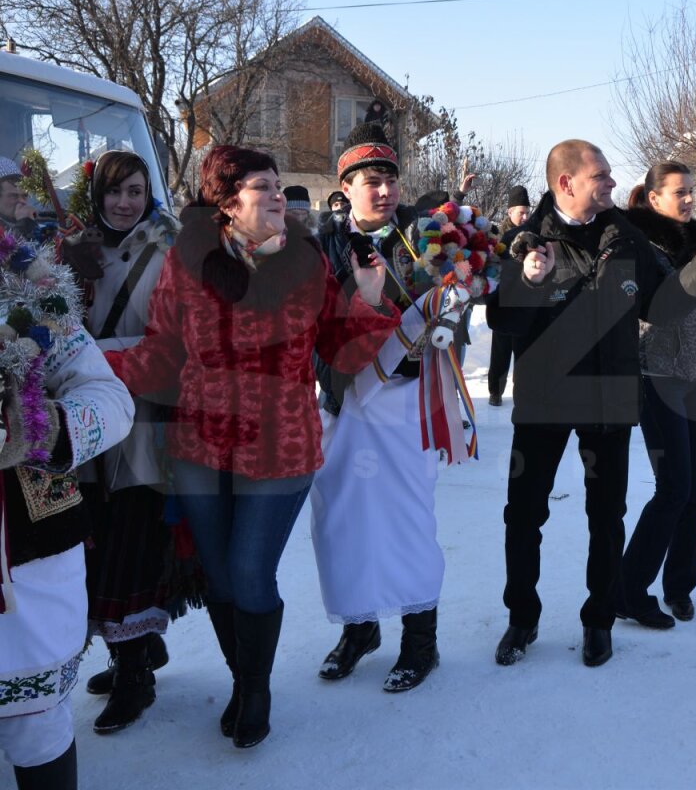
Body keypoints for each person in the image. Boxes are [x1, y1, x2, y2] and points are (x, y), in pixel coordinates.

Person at [104, 145, 401, 748]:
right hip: (199, 442)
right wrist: (90, 368)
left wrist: (368, 298)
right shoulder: (189, 260)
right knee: (217, 576)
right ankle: (243, 680)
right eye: (262, 186)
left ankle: (257, 690)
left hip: (281, 442)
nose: (276, 195)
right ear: (228, 200)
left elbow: (341, 349)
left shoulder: (305, 259)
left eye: (277, 185)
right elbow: (162, 353)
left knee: (248, 570)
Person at [488, 140, 696, 667]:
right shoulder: (524, 241)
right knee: (524, 516)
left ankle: (598, 620)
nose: (613, 184)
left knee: (606, 517)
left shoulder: (626, 237)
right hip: (544, 404)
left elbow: (664, 306)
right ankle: (521, 619)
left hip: (609, 402)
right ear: (566, 183)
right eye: (601, 176)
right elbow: (502, 325)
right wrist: (527, 282)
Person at [310, 124, 468, 693]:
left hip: (406, 402)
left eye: (391, 181)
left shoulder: (424, 240)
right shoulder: (322, 246)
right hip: (345, 396)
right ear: (345, 186)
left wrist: (456, 304)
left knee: (406, 523)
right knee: (340, 521)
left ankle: (419, 641)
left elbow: (453, 309)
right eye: (372, 182)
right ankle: (359, 629)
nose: (384, 192)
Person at [56, 152, 193, 735]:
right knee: (97, 539)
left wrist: (92, 362)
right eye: (114, 191)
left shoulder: (169, 250)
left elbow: (174, 342)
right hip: (87, 426)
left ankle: (137, 671)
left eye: (136, 190)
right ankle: (127, 653)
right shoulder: (73, 251)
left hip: (144, 421)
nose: (125, 202)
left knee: (133, 541)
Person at [0, 233, 135, 789]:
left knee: (35, 728)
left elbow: (112, 401)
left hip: (28, 555)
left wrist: (39, 429)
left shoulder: (27, 293)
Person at [616, 162, 696, 628]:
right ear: (653, 198)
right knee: (674, 488)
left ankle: (679, 587)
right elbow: (663, 306)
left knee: (693, 492)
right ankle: (628, 587)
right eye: (679, 192)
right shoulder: (638, 244)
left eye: (692, 192)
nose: (688, 199)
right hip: (657, 372)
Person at [488, 185, 531, 406]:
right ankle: (495, 391)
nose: (524, 216)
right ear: (509, 212)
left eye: (527, 212)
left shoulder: (532, 234)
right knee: (501, 350)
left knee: (523, 351)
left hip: (525, 302)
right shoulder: (498, 236)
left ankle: (521, 393)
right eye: (520, 212)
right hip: (502, 300)